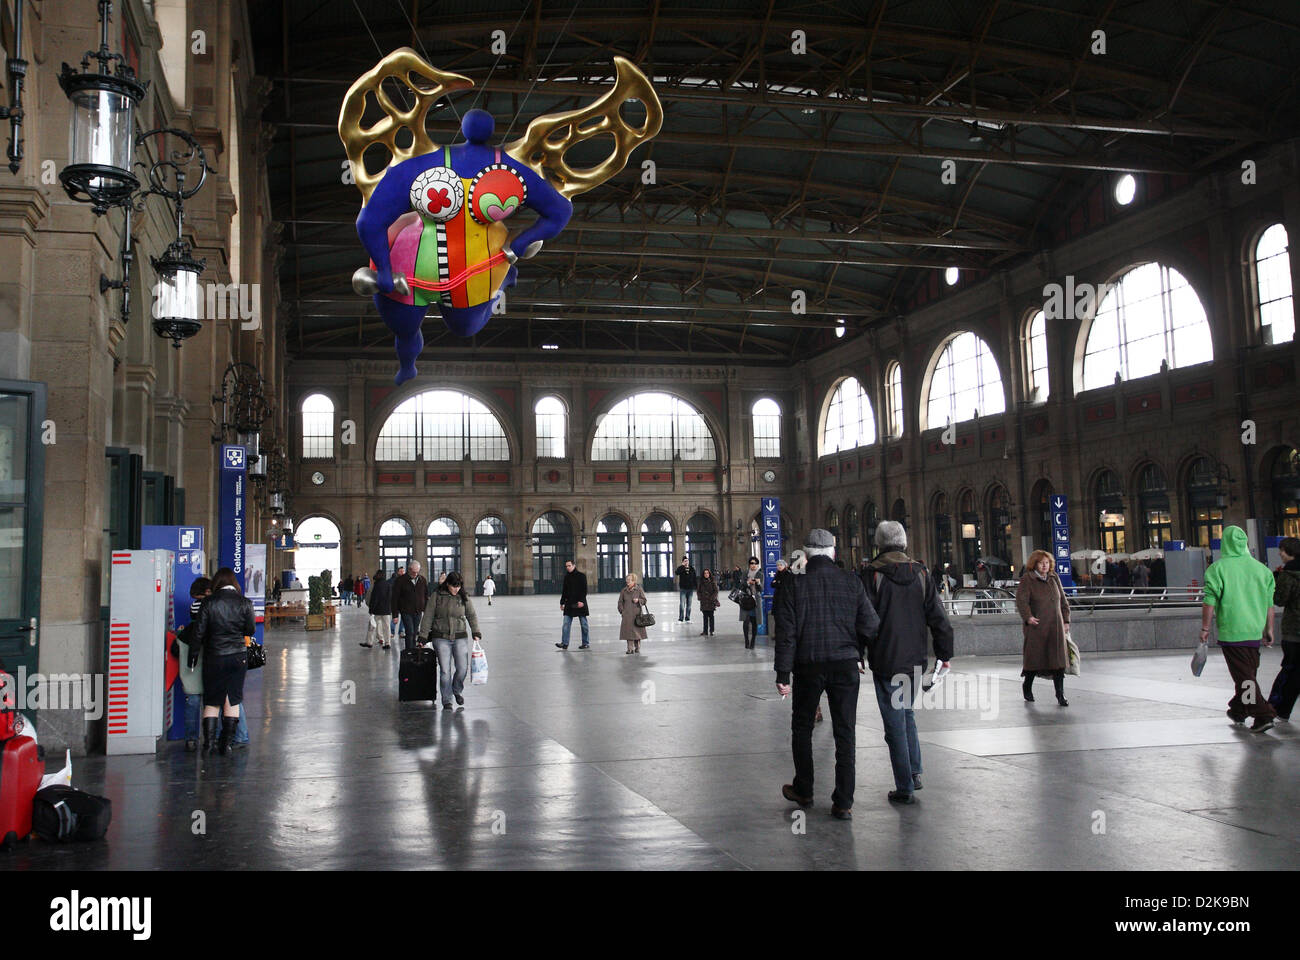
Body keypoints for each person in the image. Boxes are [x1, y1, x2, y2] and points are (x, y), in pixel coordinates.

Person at [774, 529, 879, 820]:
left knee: (802, 727)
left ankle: (804, 789)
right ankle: (843, 801)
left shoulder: (794, 585)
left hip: (808, 666)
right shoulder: (851, 582)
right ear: (833, 552)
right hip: (845, 665)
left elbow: (786, 635)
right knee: (845, 733)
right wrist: (858, 650)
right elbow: (871, 625)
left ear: (805, 555)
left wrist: (783, 673)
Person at [861, 521, 954, 804]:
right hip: (915, 658)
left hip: (886, 657)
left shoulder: (871, 574)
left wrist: (858, 652)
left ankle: (905, 787)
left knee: (894, 724)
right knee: (907, 714)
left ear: (879, 543)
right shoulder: (921, 572)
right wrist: (944, 654)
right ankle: (914, 772)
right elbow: (938, 616)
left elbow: (864, 618)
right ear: (903, 542)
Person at [1202, 525, 1278, 732]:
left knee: (1244, 678)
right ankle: (1238, 709)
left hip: (1232, 631)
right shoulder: (1262, 570)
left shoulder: (1217, 569)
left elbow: (1210, 601)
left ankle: (1263, 715)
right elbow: (1269, 604)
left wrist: (1205, 628)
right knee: (1246, 674)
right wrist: (1269, 629)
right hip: (1254, 630)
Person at [190, 567, 256, 756]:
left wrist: (193, 656)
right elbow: (249, 630)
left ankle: (208, 745)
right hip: (237, 656)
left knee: (212, 701)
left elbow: (198, 632)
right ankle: (226, 746)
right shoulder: (245, 603)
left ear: (216, 583)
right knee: (233, 700)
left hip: (214, 656)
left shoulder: (208, 603)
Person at [420, 570, 482, 710]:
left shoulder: (463, 596)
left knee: (462, 668)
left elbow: (471, 615)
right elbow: (428, 616)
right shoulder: (437, 596)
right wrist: (423, 636)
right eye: (454, 586)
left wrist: (475, 631)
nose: (456, 589)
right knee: (445, 671)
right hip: (441, 637)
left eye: (459, 586)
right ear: (447, 584)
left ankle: (456, 690)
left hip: (460, 636)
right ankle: (447, 700)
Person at [1017, 550, 1071, 706]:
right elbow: (1022, 601)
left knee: (1058, 662)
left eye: (1047, 563)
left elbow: (1063, 600)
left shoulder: (1054, 577)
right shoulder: (1028, 579)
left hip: (1056, 627)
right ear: (1035, 564)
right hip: (1038, 627)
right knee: (1034, 660)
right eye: (1041, 563)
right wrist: (1028, 617)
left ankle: (1060, 694)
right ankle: (1027, 686)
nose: (1045, 566)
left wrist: (1066, 620)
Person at [177, 576, 212, 752]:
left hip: (191, 676)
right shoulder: (213, 632)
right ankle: (210, 738)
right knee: (211, 705)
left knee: (192, 702)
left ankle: (191, 739)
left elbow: (177, 649)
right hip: (211, 671)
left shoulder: (187, 632)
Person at [1268, 537, 1300, 722]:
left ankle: (1277, 707)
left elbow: (1280, 599)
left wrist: (1277, 579)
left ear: (1290, 552)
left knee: (1289, 670)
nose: (1280, 553)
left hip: (1294, 631)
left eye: (1282, 550)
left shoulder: (1288, 574)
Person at [391, 560, 429, 653]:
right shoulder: (400, 580)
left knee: (415, 632)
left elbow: (425, 595)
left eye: (417, 572)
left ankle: (413, 649)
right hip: (406, 611)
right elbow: (394, 598)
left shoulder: (422, 580)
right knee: (410, 631)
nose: (415, 574)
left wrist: (427, 610)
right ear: (409, 569)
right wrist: (395, 615)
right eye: (413, 572)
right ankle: (409, 651)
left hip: (418, 611)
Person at [558, 559, 590, 650]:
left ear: (574, 565)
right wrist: (562, 602)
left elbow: (584, 590)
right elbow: (564, 591)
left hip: (580, 603)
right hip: (569, 604)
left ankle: (585, 643)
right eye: (566, 566)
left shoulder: (581, 576)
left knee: (584, 624)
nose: (567, 567)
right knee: (566, 624)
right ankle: (564, 643)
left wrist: (582, 601)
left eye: (569, 566)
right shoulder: (566, 577)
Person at [360, 568, 392, 649]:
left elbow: (375, 598)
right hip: (386, 610)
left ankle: (369, 642)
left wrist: (371, 609)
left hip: (377, 610)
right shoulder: (388, 584)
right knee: (387, 628)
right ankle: (387, 643)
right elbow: (390, 597)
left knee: (372, 626)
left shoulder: (377, 585)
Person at [618, 572, 649, 654]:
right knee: (628, 633)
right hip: (627, 615)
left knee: (637, 632)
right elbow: (620, 602)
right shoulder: (623, 591)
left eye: (629, 580)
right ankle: (629, 649)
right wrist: (622, 611)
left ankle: (637, 647)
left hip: (637, 615)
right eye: (626, 580)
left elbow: (644, 600)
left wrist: (638, 600)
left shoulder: (639, 589)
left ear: (633, 581)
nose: (627, 581)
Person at [737, 556, 763, 648]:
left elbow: (761, 589)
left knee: (754, 621)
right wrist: (748, 583)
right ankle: (746, 641)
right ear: (749, 564)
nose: (753, 565)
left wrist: (758, 583)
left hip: (755, 600)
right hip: (745, 600)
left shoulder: (760, 574)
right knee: (746, 621)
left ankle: (753, 641)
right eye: (752, 563)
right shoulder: (745, 573)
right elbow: (741, 585)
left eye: (755, 563)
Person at [770, 557, 793, 644]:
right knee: (777, 618)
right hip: (777, 599)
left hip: (784, 599)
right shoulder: (777, 574)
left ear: (784, 565)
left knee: (783, 618)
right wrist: (777, 583)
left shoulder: (787, 574)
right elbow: (772, 584)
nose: (779, 567)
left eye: (780, 565)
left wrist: (777, 583)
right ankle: (777, 635)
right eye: (778, 565)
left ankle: (784, 635)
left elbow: (784, 585)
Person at [674, 556, 698, 622]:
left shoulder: (692, 568)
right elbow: (676, 573)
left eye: (687, 561)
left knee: (689, 604)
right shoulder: (681, 568)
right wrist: (682, 566)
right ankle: (680, 618)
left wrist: (697, 587)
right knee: (682, 604)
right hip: (683, 589)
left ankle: (687, 618)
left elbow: (694, 578)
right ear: (683, 562)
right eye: (685, 561)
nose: (686, 562)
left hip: (690, 589)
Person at [696, 568, 719, 636]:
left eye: (707, 573)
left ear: (709, 574)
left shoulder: (712, 581)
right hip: (704, 601)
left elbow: (716, 591)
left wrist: (713, 597)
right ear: (703, 574)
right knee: (705, 617)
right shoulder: (701, 582)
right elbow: (698, 591)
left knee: (711, 616)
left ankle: (712, 630)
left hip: (711, 601)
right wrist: (700, 597)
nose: (706, 574)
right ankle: (705, 631)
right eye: (705, 573)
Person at [390, 564, 405, 639]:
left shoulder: (406, 580)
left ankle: (401, 631)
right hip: (396, 602)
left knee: (403, 618)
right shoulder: (395, 581)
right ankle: (392, 632)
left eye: (403, 571)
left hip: (404, 602)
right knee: (395, 618)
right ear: (398, 572)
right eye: (401, 571)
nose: (402, 573)